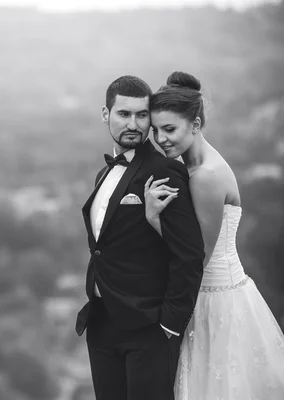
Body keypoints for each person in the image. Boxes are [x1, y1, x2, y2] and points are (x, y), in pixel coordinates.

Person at [144, 71, 284, 399]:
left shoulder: (204, 176)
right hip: (224, 292)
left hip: (214, 300)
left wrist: (152, 218)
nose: (161, 139)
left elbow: (196, 256)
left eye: (170, 129)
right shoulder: (197, 167)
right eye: (156, 131)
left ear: (195, 124)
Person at [74, 75, 205, 400]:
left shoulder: (164, 170)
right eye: (123, 114)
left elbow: (189, 254)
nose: (133, 123)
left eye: (141, 115)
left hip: (149, 329)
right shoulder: (103, 173)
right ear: (106, 114)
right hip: (102, 324)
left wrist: (169, 326)